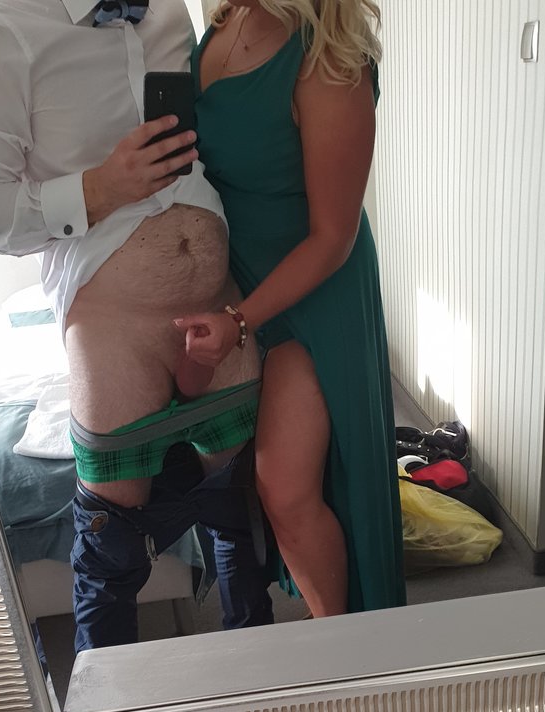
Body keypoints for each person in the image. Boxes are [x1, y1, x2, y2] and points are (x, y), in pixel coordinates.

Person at [0, 0, 274, 654]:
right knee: (110, 558)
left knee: (238, 525)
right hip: (113, 338)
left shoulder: (169, 13)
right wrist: (97, 188)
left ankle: (262, 688)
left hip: (221, 316)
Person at [175, 0, 406, 617]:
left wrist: (241, 319)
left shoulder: (329, 58)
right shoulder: (226, 18)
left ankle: (346, 643)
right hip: (241, 279)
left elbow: (333, 238)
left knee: (286, 485)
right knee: (271, 487)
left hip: (314, 296)